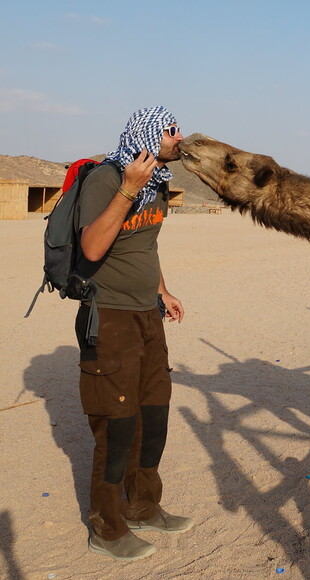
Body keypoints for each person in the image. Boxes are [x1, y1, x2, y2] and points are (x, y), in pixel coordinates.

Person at [75, 106, 190, 561]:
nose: (178, 136)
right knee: (117, 428)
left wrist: (163, 291)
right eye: (170, 129)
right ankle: (106, 527)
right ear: (146, 135)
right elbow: (91, 247)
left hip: (147, 316)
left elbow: (146, 244)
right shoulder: (108, 180)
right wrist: (127, 189)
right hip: (111, 318)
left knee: (154, 418)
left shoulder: (157, 183)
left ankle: (143, 506)